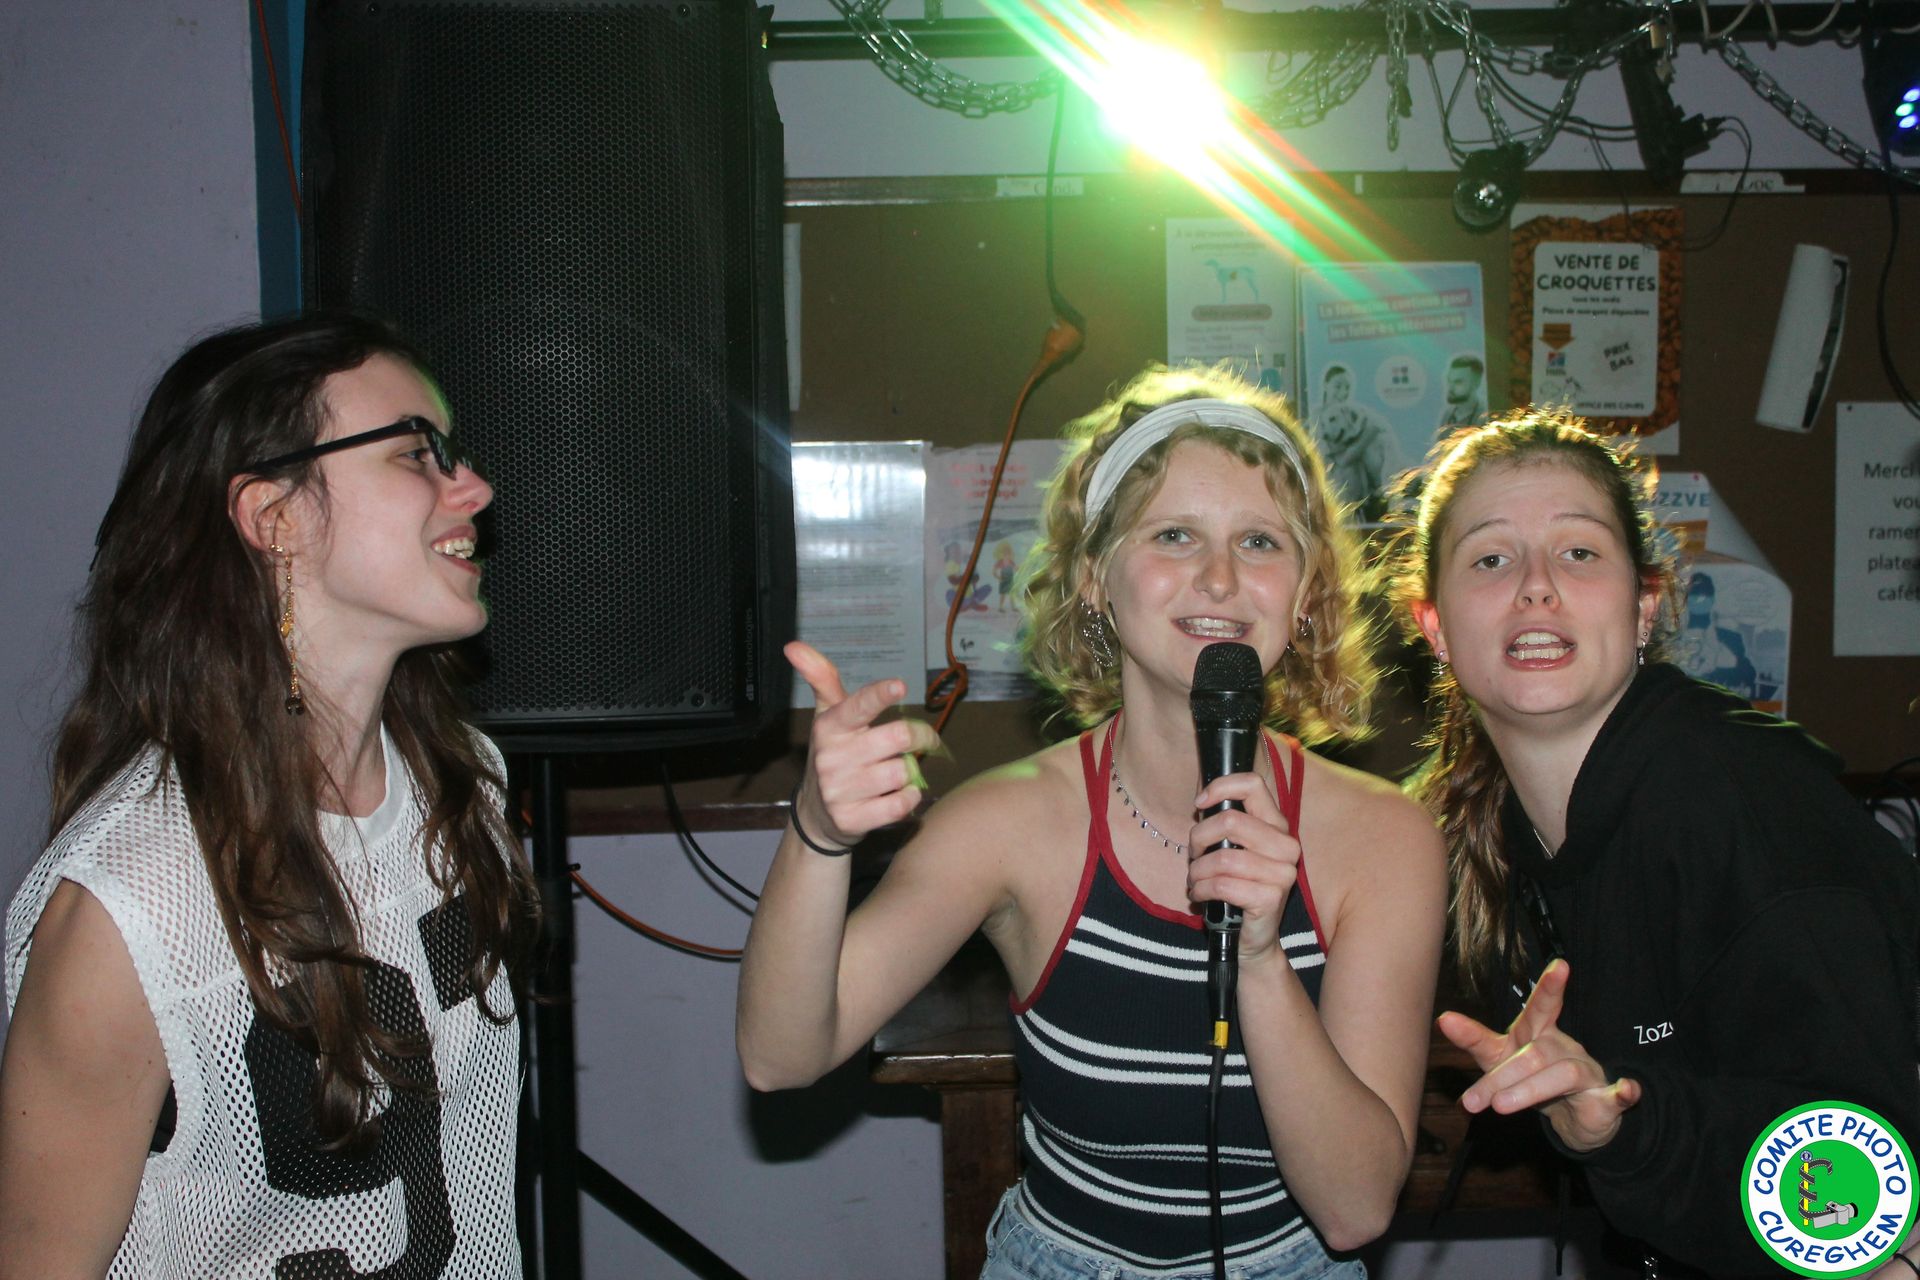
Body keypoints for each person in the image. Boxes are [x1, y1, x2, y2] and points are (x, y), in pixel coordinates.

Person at [739, 365, 1446, 1278]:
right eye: (1174, 535)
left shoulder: (1384, 839)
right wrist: (818, 833)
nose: (1220, 577)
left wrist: (1262, 961)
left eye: (1261, 541)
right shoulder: (1011, 822)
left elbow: (1355, 1210)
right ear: (1093, 580)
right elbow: (781, 1056)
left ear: (1306, 591)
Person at [0, 314, 540, 1276]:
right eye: (416, 452)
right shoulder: (134, 907)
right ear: (274, 518)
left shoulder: (467, 787)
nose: (475, 488)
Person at [1389, 410, 1920, 1278]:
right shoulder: (1492, 835)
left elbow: (1866, 1189)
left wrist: (1629, 1132)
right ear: (1436, 627)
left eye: (1578, 552)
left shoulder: (1738, 801)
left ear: (1644, 608)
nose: (1536, 586)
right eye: (1490, 559)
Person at [1312, 365, 1395, 523]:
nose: (1342, 392)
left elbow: (1381, 428)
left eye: (1347, 388)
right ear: (1326, 385)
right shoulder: (1316, 416)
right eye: (1338, 386)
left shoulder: (1355, 412)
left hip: (1363, 497)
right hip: (1336, 498)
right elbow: (1342, 460)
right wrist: (1366, 437)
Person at [1433, 356, 1486, 435]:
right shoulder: (1448, 416)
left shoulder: (1485, 416)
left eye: (1458, 382)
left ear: (1476, 383)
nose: (1450, 388)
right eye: (1449, 381)